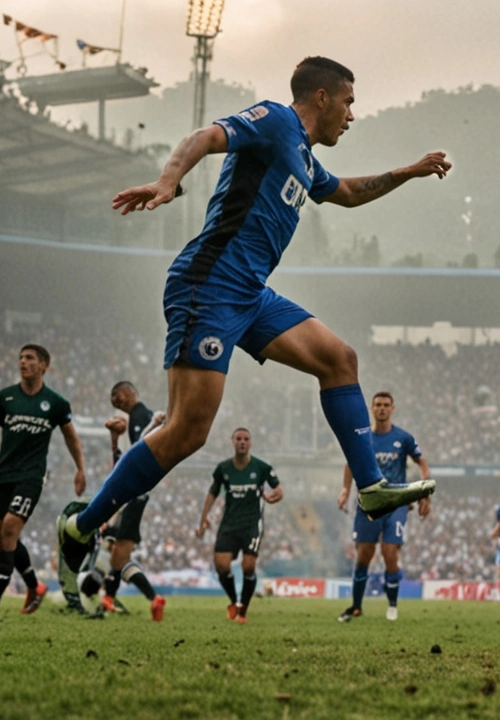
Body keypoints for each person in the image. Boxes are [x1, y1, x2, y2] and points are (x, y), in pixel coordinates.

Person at [66, 56, 444, 542]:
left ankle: (371, 486)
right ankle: (80, 528)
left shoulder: (305, 159)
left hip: (250, 293)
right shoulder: (276, 120)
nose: (352, 115)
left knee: (339, 360)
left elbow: (347, 192)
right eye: (349, 103)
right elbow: (203, 137)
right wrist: (167, 180)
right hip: (210, 283)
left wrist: (408, 172)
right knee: (186, 432)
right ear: (322, 98)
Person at [0, 344, 86, 619]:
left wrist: (80, 469)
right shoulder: (4, 397)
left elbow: (71, 437)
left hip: (31, 477)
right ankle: (34, 586)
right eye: (20, 358)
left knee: (9, 529)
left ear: (44, 365)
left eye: (29, 358)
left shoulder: (55, 403)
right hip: (1, 476)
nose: (23, 362)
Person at [336, 391, 431, 622]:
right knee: (364, 555)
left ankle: (392, 605)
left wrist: (424, 491)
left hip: (396, 501)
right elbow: (350, 463)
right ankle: (356, 606)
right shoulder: (362, 437)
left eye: (386, 405)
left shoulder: (404, 438)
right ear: (372, 408)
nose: (381, 408)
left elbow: (422, 461)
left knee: (390, 553)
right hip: (368, 501)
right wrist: (346, 489)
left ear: (392, 408)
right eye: (378, 405)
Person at [196, 428, 283, 624]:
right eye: (239, 439)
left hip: (252, 524)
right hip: (229, 524)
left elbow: (278, 488)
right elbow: (213, 492)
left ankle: (243, 610)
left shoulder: (261, 467)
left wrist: (275, 495)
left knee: (248, 566)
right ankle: (234, 602)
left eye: (246, 439)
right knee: (221, 566)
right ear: (232, 442)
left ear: (250, 443)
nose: (242, 442)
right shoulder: (223, 469)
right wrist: (204, 517)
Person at [99, 381, 166, 620]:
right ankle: (110, 597)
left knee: (118, 549)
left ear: (128, 393)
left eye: (116, 395)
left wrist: (154, 423)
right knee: (117, 550)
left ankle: (111, 596)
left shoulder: (140, 414)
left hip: (132, 493)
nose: (114, 401)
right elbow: (123, 458)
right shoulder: (132, 420)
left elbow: (142, 447)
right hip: (129, 491)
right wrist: (114, 437)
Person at [55, 500, 106, 616]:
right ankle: (75, 597)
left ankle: (74, 596)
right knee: (72, 566)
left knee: (72, 567)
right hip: (73, 521)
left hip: (73, 520)